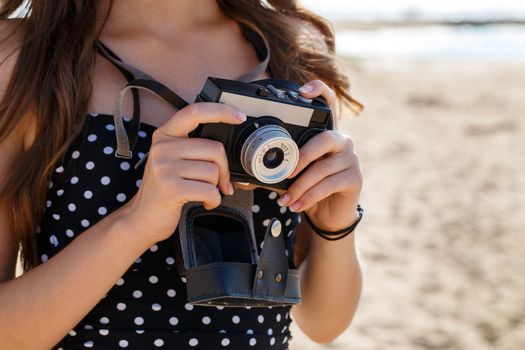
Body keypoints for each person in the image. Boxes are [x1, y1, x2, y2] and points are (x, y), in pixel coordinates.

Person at [0, 1, 364, 349]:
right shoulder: (21, 56)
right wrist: (135, 223)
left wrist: (335, 225)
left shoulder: (290, 46)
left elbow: (323, 323)